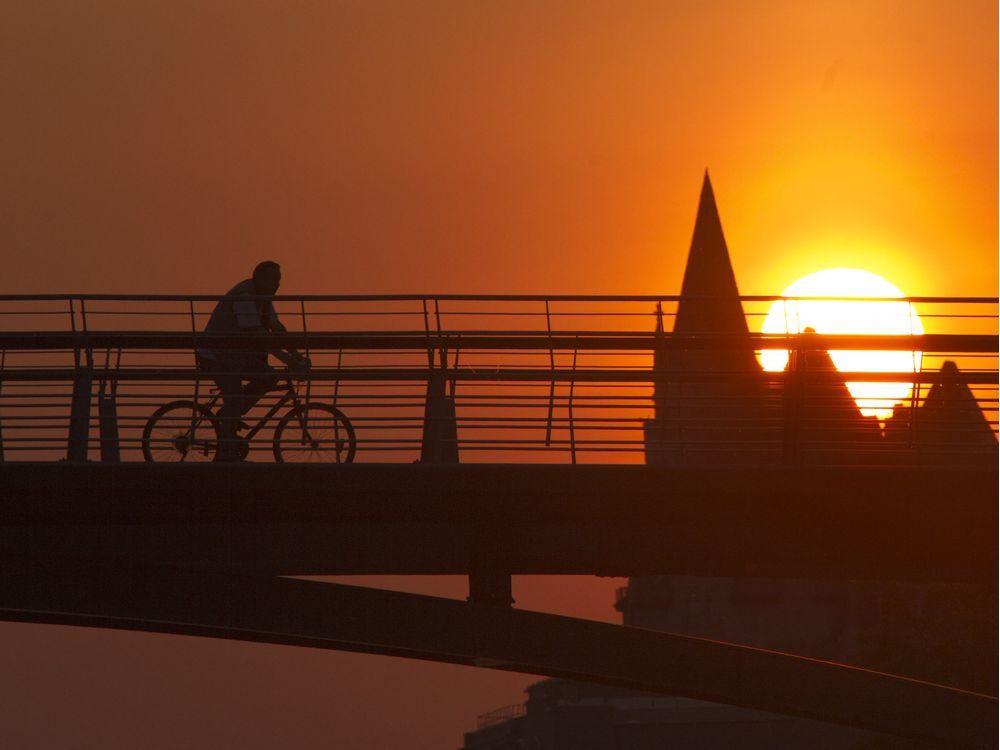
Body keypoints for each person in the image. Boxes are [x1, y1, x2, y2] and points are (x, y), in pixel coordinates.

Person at [198, 261, 310, 461]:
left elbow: (276, 328)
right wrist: (286, 358)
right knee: (233, 397)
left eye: (279, 281)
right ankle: (225, 453)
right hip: (216, 355)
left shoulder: (263, 298)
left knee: (269, 378)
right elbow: (256, 334)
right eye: (273, 280)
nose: (277, 285)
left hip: (235, 354)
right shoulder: (245, 297)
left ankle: (228, 417)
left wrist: (296, 353)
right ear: (259, 278)